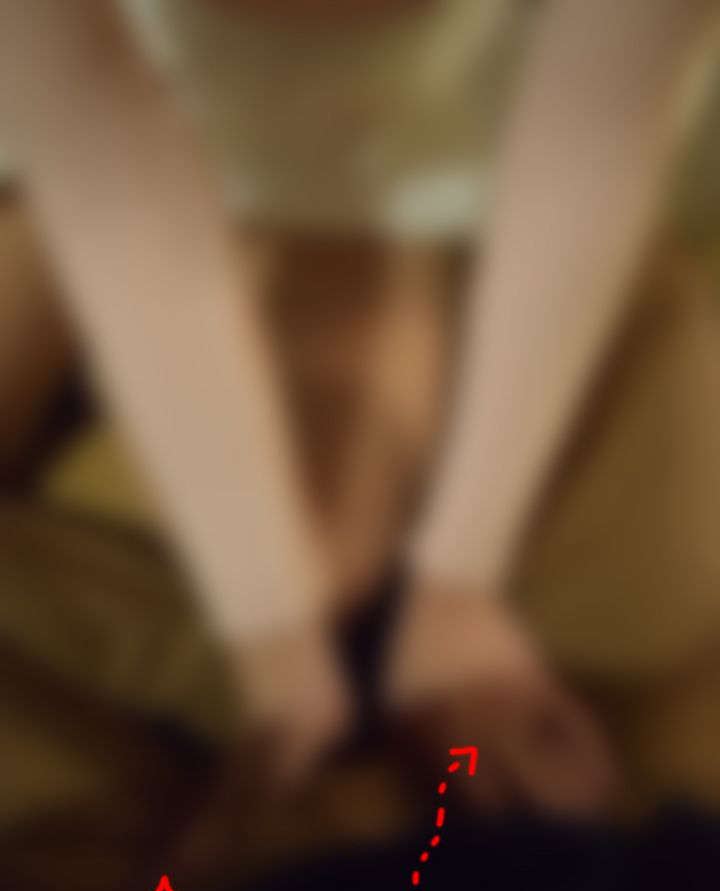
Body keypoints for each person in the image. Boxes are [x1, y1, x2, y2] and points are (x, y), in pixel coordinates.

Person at [0, 0, 718, 828]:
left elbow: (596, 125)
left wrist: (457, 579)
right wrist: (268, 620)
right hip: (89, 162)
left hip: (437, 170)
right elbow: (98, 145)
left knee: (618, 602)